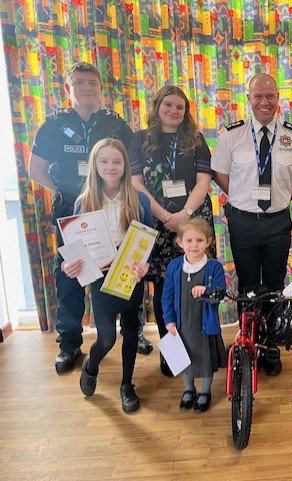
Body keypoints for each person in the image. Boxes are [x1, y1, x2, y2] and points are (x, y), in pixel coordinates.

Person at [27, 61, 153, 373]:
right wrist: (69, 190)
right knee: (71, 276)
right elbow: (35, 169)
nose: (86, 89)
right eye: (79, 83)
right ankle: (69, 343)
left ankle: (132, 333)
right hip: (75, 210)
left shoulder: (114, 124)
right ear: (68, 89)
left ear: (100, 89)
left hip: (117, 203)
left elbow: (131, 163)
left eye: (92, 84)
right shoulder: (53, 125)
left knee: (127, 264)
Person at [212, 73, 292, 376]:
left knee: (272, 285)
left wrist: (282, 197)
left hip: (277, 223)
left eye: (270, 96)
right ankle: (248, 343)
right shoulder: (231, 136)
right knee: (247, 286)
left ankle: (270, 343)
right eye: (257, 96)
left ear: (278, 99)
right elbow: (220, 174)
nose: (264, 102)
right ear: (248, 99)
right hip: (242, 221)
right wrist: (242, 197)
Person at [129, 85, 215, 376]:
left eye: (180, 107)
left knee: (198, 285)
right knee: (164, 290)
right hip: (155, 220)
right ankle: (173, 356)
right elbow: (136, 183)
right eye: (168, 105)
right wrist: (166, 215)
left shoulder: (196, 140)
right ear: (157, 106)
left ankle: (203, 351)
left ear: (186, 111)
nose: (173, 111)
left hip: (193, 223)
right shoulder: (140, 139)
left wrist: (184, 216)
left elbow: (204, 182)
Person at [61, 139, 152, 413]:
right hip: (99, 275)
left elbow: (146, 239)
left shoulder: (139, 199)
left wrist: (144, 265)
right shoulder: (84, 201)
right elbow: (74, 245)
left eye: (117, 161)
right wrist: (70, 266)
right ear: (94, 165)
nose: (110, 167)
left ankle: (126, 384)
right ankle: (91, 365)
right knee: (107, 338)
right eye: (104, 161)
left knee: (133, 330)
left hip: (129, 272)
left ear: (125, 165)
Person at [162, 218, 226, 413]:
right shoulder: (174, 267)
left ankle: (205, 392)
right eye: (189, 240)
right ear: (180, 242)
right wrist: (169, 320)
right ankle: (189, 389)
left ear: (208, 242)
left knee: (205, 360)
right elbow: (167, 295)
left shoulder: (214, 267)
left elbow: (220, 293)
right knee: (185, 359)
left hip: (204, 326)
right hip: (181, 326)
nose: (194, 245)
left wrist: (207, 290)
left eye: (199, 240)